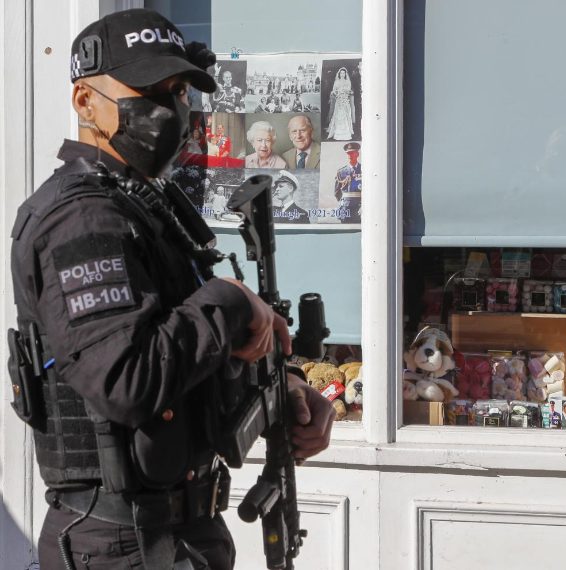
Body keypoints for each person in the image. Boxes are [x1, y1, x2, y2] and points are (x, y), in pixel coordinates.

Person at [11, 10, 335, 569]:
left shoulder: (144, 205)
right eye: (149, 93)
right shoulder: (81, 219)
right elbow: (126, 379)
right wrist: (229, 303)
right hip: (120, 542)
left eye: (180, 92)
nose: (170, 110)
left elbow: (186, 360)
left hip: (179, 532)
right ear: (85, 101)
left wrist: (282, 390)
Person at [334, 142, 362, 223]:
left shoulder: (364, 169)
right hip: (345, 207)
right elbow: (336, 192)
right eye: (348, 153)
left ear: (357, 154)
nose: (350, 155)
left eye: (352, 153)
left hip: (360, 207)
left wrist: (364, 206)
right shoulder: (341, 172)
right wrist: (343, 202)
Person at [326, 67, 356, 140]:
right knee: (338, 115)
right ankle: (337, 131)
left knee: (346, 115)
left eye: (343, 73)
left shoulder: (347, 81)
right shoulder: (337, 82)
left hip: (345, 100)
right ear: (339, 74)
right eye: (341, 73)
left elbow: (349, 91)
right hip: (339, 100)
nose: (342, 74)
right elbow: (334, 91)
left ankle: (346, 131)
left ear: (345, 74)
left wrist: (345, 91)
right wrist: (336, 93)